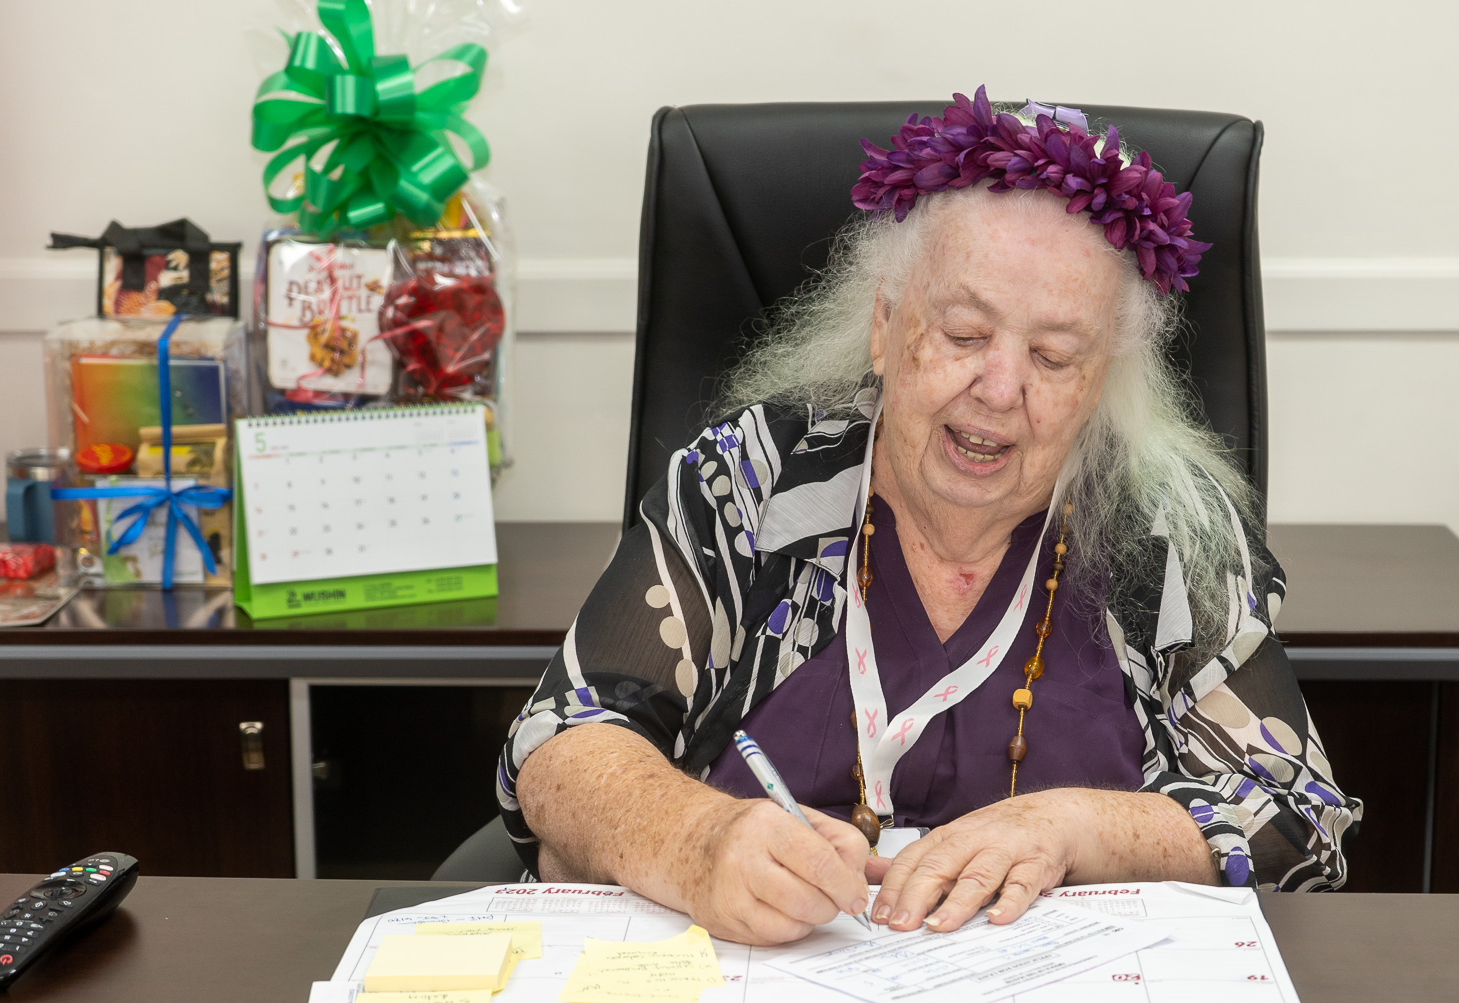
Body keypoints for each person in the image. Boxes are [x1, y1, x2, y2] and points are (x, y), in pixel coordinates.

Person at [498, 88, 1362, 945]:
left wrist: (1073, 829)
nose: (999, 389)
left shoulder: (1167, 527)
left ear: (1104, 384)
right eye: (961, 334)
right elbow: (560, 741)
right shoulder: (754, 477)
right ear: (884, 327)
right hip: (757, 999)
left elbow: (1298, 815)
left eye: (1055, 356)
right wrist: (695, 839)